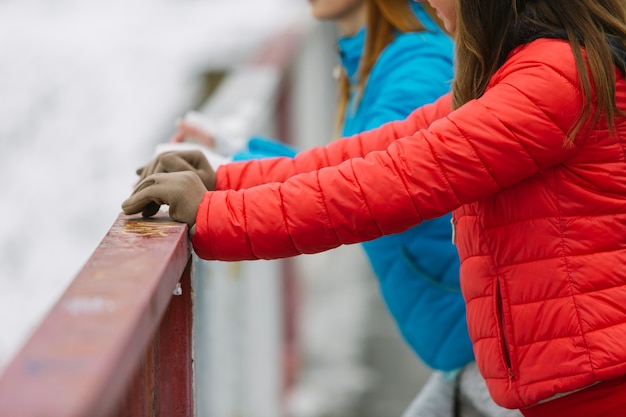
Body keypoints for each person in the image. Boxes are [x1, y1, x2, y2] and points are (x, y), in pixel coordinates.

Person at [122, 0, 626, 416]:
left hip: (596, 387)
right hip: (573, 380)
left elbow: (387, 182)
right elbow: (373, 154)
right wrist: (224, 179)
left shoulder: (554, 80)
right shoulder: (537, 72)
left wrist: (215, 215)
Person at [168, 0, 518, 415]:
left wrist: (219, 204)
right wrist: (229, 169)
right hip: (480, 345)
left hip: (491, 344)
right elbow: (352, 165)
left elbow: (367, 185)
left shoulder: (418, 66)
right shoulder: (382, 57)